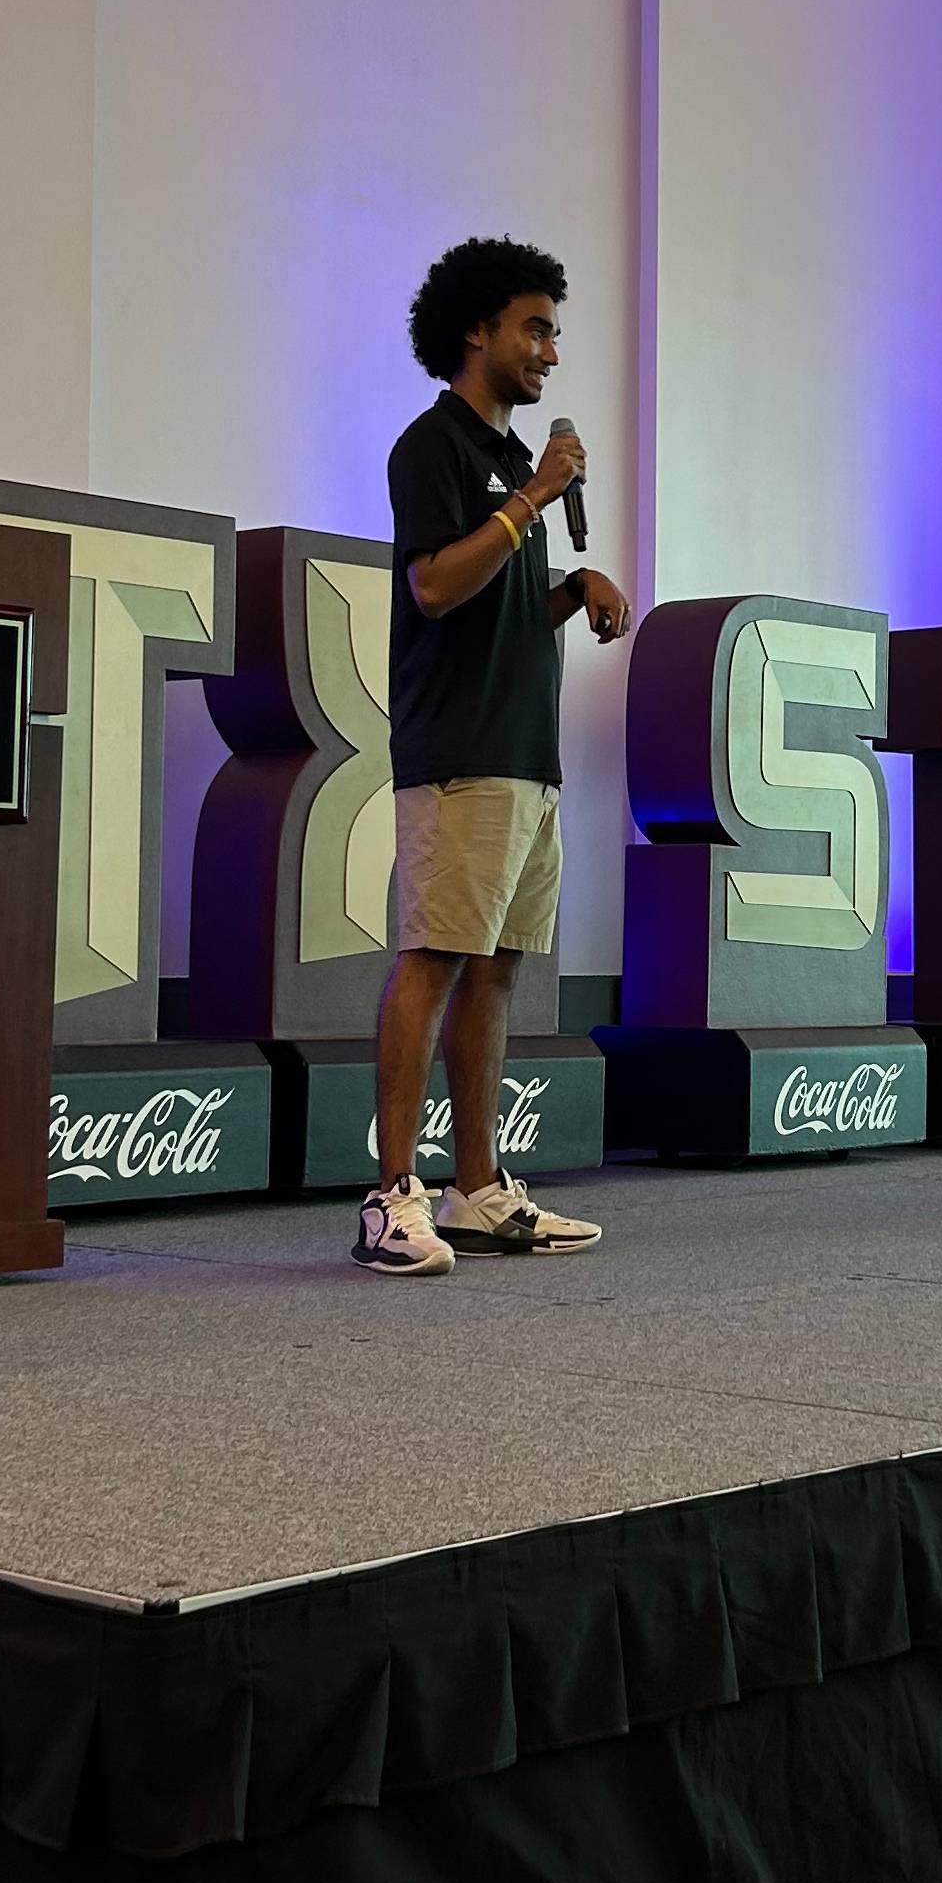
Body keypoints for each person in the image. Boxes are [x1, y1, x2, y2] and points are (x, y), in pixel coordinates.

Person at [354, 237, 633, 1275]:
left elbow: (500, 604)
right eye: (535, 327)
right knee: (433, 957)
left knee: (497, 970)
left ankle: (477, 1188)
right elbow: (433, 587)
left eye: (554, 330)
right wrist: (531, 504)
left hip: (527, 754)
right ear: (477, 329)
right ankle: (390, 1197)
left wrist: (576, 587)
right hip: (459, 751)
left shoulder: (516, 466)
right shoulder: (433, 448)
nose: (551, 351)